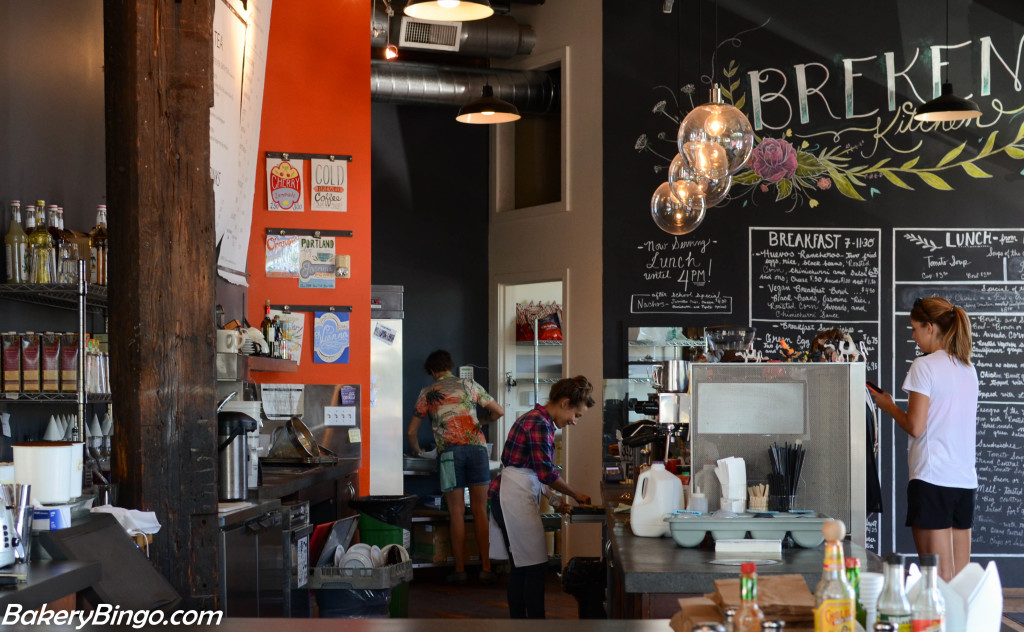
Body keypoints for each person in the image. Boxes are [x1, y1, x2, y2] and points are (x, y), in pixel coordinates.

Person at [871, 296, 978, 582]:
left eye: (915, 329)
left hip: (932, 479)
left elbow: (916, 426)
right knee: (959, 579)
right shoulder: (968, 369)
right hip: (964, 482)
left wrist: (888, 405)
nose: (913, 336)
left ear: (930, 327)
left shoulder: (924, 366)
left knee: (937, 579)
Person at [489, 375, 595, 618]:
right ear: (565, 403)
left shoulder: (538, 419)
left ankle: (524, 623)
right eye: (576, 415)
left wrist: (556, 501)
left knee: (522, 567)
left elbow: (535, 474)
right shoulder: (540, 423)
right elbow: (546, 473)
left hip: (512, 494)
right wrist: (575, 494)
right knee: (533, 567)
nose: (574, 421)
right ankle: (535, 623)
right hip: (511, 497)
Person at [407, 350, 505, 585]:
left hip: (449, 454)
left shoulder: (428, 392)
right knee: (480, 511)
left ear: (432, 371)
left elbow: (411, 432)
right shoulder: (469, 385)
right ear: (450, 367)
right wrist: (481, 422)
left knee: (456, 512)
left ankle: (459, 570)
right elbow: (499, 411)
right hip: (478, 451)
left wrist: (418, 451)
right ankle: (486, 568)